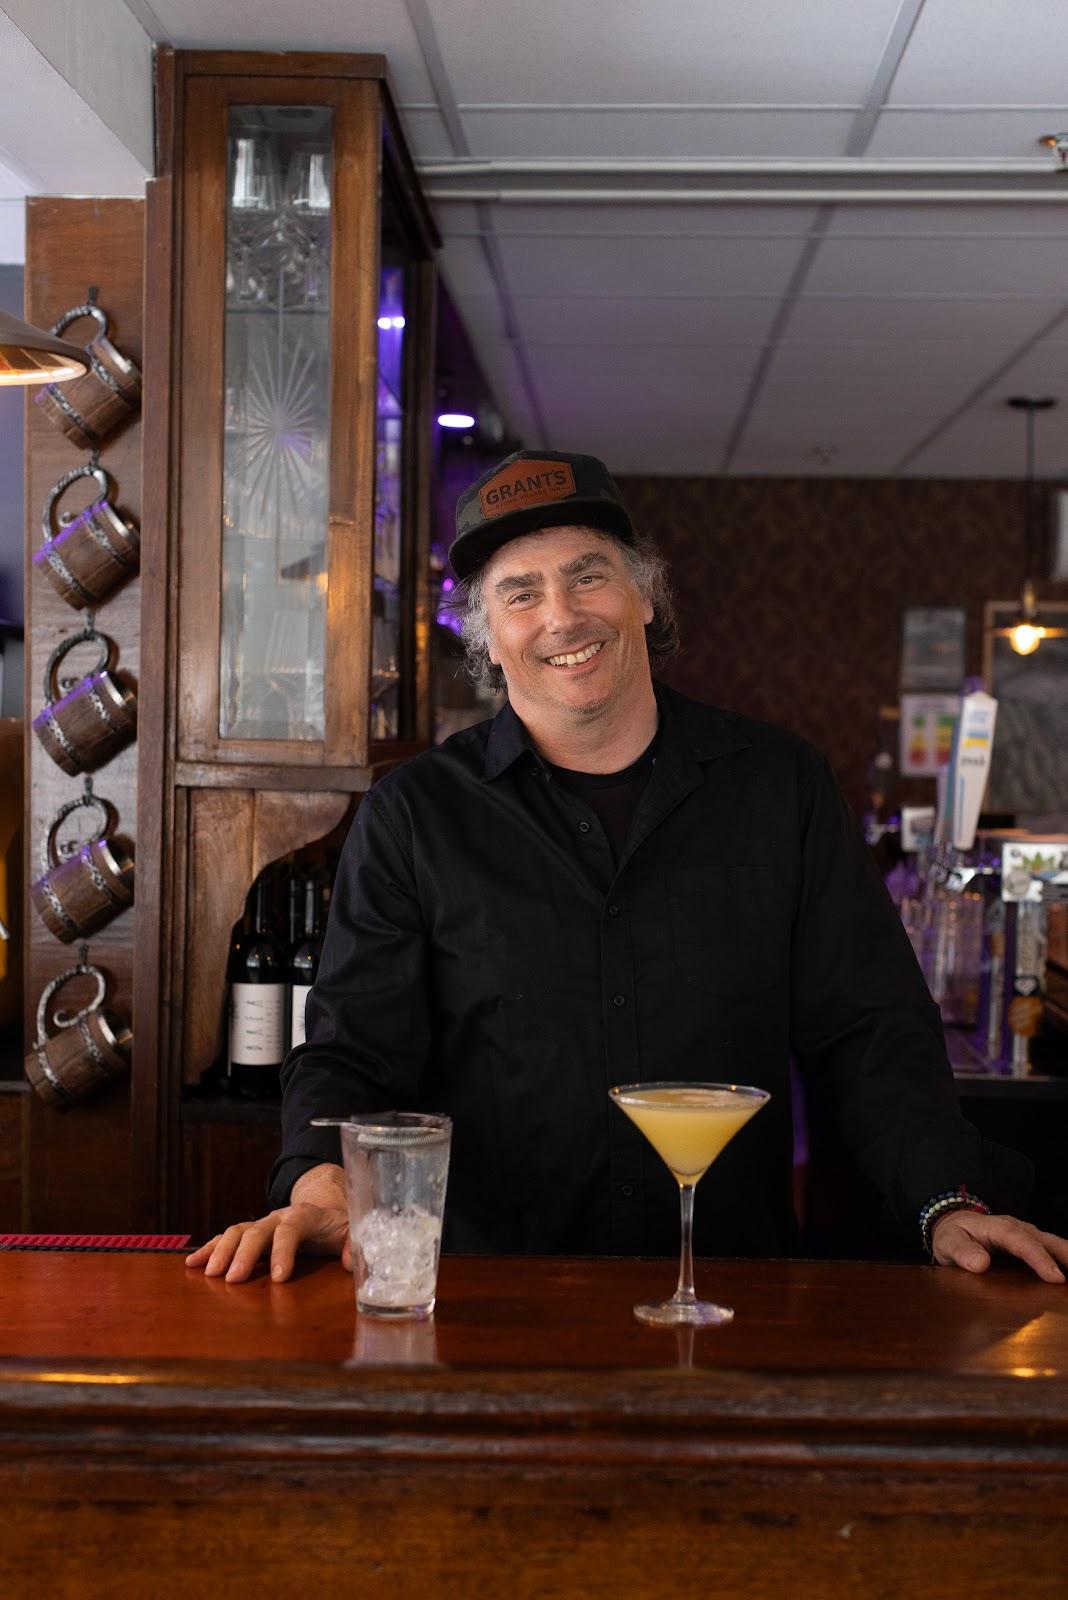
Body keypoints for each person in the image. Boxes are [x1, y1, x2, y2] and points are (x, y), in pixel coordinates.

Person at [188, 450, 1068, 1288]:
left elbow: (868, 1026)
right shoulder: (414, 815)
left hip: (733, 1296)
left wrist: (945, 1200)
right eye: (521, 594)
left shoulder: (779, 784)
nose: (562, 616)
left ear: (644, 595)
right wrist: (321, 1185)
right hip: (495, 1300)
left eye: (588, 574)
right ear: (486, 637)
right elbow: (353, 1050)